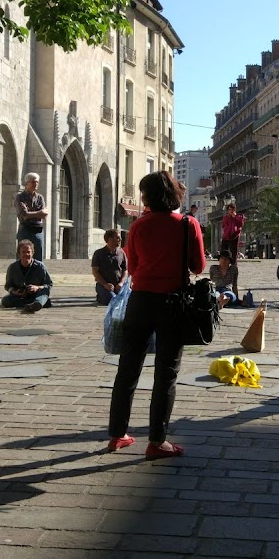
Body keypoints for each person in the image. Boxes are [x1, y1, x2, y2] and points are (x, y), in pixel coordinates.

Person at [107, 172, 204, 459]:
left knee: (127, 370)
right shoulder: (189, 224)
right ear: (174, 194)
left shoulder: (137, 226)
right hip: (173, 303)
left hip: (140, 302)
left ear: (147, 196)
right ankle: (157, 440)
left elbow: (133, 268)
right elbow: (198, 266)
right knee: (166, 374)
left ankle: (117, 435)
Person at [3, 239, 53, 312]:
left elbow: (48, 284)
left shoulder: (40, 266)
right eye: (23, 252)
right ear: (19, 254)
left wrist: (37, 287)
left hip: (36, 295)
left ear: (32, 253)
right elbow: (8, 286)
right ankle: (35, 304)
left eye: (28, 252)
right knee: (5, 300)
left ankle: (37, 304)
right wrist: (15, 292)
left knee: (44, 292)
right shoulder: (13, 267)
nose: (26, 254)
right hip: (20, 297)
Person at [15, 172, 48, 262]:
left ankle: (38, 275)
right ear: (26, 183)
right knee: (22, 256)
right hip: (25, 229)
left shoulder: (40, 198)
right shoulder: (20, 197)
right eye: (33, 182)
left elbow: (44, 214)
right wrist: (38, 213)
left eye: (37, 182)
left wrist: (32, 213)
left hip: (38, 230)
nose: (36, 184)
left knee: (38, 256)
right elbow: (24, 215)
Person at [91, 229, 127, 306]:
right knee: (113, 300)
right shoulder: (99, 253)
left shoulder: (121, 253)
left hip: (118, 285)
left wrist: (121, 283)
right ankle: (101, 296)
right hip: (104, 285)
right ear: (110, 239)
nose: (120, 239)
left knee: (126, 301)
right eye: (117, 237)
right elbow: (95, 271)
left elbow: (125, 270)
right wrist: (105, 284)